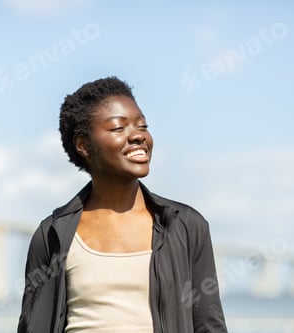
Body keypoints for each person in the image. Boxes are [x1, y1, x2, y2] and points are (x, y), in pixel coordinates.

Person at [17, 76, 227, 333]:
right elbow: (32, 325)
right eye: (119, 128)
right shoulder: (52, 235)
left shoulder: (185, 226)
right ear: (83, 145)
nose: (138, 135)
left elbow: (209, 325)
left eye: (142, 126)